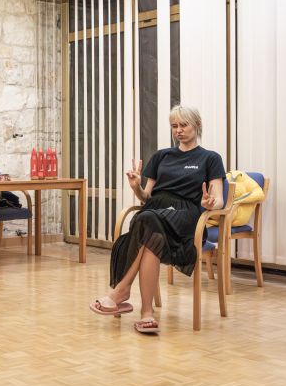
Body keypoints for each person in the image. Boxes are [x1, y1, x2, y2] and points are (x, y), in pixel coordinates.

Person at [90, 105, 225, 334]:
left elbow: (219, 199)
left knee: (147, 222)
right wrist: (136, 187)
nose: (178, 130)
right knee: (151, 231)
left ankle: (122, 291)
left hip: (185, 215)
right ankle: (146, 314)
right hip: (155, 212)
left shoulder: (210, 158)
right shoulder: (161, 156)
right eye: (174, 126)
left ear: (197, 125)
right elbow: (147, 197)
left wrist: (210, 204)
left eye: (184, 125)